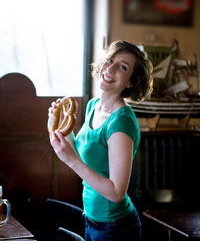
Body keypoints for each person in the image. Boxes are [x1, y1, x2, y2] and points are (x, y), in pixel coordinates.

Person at [49, 40, 153, 241]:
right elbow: (83, 156)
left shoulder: (121, 123)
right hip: (91, 219)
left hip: (115, 227)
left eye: (122, 67)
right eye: (110, 60)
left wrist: (72, 161)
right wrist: (61, 126)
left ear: (131, 82)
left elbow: (116, 193)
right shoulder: (93, 106)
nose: (110, 68)